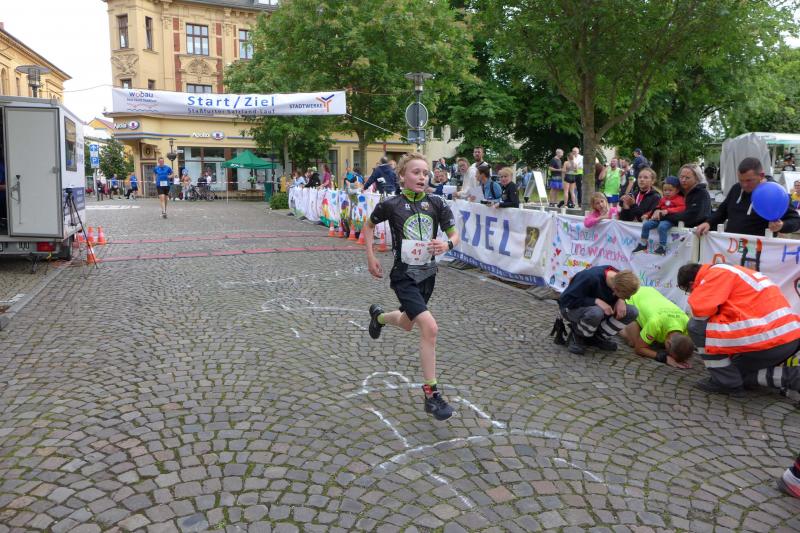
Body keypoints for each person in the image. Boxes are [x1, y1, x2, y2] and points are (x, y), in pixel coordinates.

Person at [364, 152, 460, 421]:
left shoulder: (437, 203)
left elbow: (455, 235)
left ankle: (379, 317)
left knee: (407, 323)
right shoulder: (391, 204)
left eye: (425, 173)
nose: (422, 177)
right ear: (402, 176)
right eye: (416, 172)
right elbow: (368, 226)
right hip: (403, 275)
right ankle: (431, 395)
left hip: (427, 275)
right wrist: (371, 256)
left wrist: (447, 244)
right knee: (430, 327)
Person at [678, 262, 800, 395]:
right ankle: (794, 378)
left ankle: (726, 383)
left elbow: (700, 311)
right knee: (735, 373)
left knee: (696, 326)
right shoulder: (731, 271)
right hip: (787, 337)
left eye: (688, 291)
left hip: (769, 340)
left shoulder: (715, 275)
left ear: (691, 284)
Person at [695, 157, 800, 237]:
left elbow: (796, 221)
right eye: (741, 180)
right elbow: (722, 211)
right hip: (731, 247)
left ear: (761, 175)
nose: (744, 185)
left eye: (749, 180)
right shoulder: (736, 188)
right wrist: (708, 223)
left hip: (759, 251)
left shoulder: (775, 192)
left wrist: (782, 226)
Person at [557, 266, 640, 355]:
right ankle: (578, 335)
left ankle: (596, 337)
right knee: (596, 312)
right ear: (615, 290)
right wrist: (596, 301)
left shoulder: (619, 278)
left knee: (632, 312)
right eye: (626, 296)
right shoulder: (589, 277)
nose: (628, 298)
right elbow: (565, 300)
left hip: (597, 310)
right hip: (570, 309)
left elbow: (621, 292)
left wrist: (621, 300)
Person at [620, 286, 694, 368]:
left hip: (649, 293)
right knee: (633, 343)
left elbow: (683, 347)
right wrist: (664, 358)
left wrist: (681, 358)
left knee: (651, 340)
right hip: (632, 295)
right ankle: (618, 323)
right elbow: (639, 349)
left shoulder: (686, 323)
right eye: (670, 354)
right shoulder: (656, 322)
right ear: (668, 343)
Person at [632, 176, 686, 255]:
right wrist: (647, 215)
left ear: (677, 190)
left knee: (662, 226)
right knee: (646, 225)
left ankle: (662, 247)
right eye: (665, 190)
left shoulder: (679, 198)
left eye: (670, 190)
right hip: (659, 218)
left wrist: (668, 210)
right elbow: (656, 208)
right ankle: (643, 244)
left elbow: (682, 208)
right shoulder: (663, 199)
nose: (667, 192)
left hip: (670, 220)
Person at [660, 164, 711, 229]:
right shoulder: (677, 192)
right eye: (681, 177)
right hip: (674, 230)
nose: (683, 180)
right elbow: (663, 203)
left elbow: (691, 217)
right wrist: (657, 210)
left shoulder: (702, 194)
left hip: (696, 231)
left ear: (697, 178)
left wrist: (663, 216)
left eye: (687, 178)